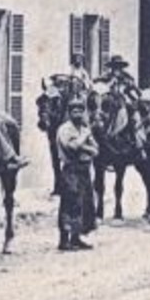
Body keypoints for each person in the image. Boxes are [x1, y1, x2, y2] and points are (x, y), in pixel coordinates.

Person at [55, 96, 99, 251]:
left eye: (80, 110)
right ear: (69, 112)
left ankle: (76, 237)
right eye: (74, 110)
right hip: (70, 169)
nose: (78, 114)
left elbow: (96, 149)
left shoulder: (84, 129)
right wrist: (84, 139)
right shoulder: (65, 129)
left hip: (84, 169)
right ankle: (64, 240)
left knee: (84, 203)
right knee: (70, 202)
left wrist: (85, 146)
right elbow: (72, 147)